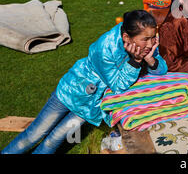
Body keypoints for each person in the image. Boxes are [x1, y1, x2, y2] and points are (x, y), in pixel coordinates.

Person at [1, 10, 167, 154]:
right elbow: (118, 86)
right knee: (33, 134)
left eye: (153, 38)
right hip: (71, 92)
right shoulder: (105, 47)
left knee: (53, 141)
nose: (151, 43)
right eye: (146, 39)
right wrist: (136, 62)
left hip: (90, 106)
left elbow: (161, 70)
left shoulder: (144, 44)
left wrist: (150, 59)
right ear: (126, 37)